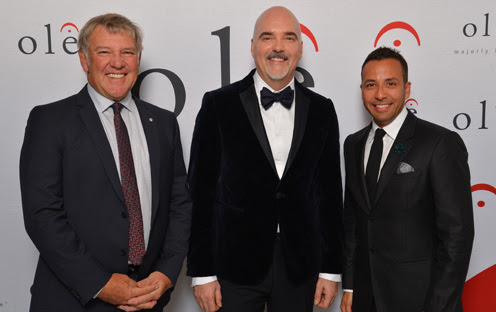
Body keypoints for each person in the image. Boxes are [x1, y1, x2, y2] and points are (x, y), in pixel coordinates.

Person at [19, 13, 191, 312]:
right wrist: (99, 283)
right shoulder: (50, 121)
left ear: (137, 59)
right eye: (104, 52)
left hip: (147, 300)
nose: (118, 62)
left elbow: (179, 205)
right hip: (72, 300)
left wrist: (166, 273)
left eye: (127, 52)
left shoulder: (163, 123)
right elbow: (42, 215)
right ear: (85, 60)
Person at [187, 6, 343, 312]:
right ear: (252, 46)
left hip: (301, 265)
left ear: (300, 48)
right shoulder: (218, 104)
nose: (278, 47)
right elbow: (200, 193)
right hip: (233, 263)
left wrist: (330, 269)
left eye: (288, 38)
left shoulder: (323, 110)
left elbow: (329, 195)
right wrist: (201, 272)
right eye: (267, 37)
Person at [340, 47, 474, 312]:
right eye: (371, 85)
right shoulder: (352, 144)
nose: (380, 94)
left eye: (390, 83)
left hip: (421, 301)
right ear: (362, 90)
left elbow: (456, 235)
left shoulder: (439, 143)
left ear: (407, 89)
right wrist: (351, 286)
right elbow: (353, 219)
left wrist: (439, 306)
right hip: (366, 299)